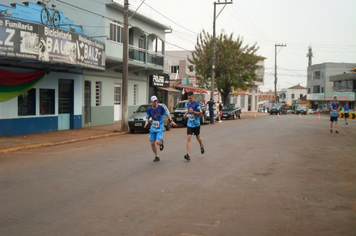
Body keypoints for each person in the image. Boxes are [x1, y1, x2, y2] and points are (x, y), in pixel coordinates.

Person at [144, 95, 176, 162]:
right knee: (152, 143)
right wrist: (146, 122)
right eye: (154, 101)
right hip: (153, 128)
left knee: (158, 142)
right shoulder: (150, 109)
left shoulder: (161, 108)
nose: (155, 102)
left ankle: (161, 143)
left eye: (156, 101)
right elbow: (147, 117)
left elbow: (167, 114)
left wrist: (171, 120)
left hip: (160, 127)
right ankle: (156, 156)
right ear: (151, 102)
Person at [183, 91, 205, 161]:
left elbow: (201, 113)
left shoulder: (197, 104)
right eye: (189, 98)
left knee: (197, 137)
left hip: (196, 123)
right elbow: (189, 110)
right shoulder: (188, 103)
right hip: (190, 123)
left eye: (191, 98)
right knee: (189, 137)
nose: (190, 100)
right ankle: (188, 154)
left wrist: (193, 112)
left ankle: (201, 145)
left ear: (193, 97)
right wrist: (186, 114)